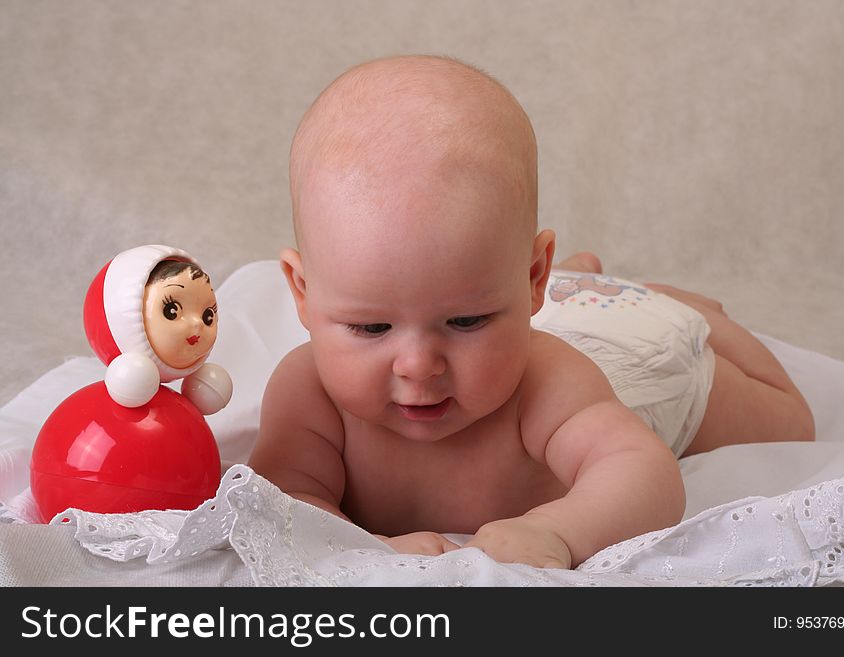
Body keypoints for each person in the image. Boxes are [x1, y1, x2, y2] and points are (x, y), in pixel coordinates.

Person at [248, 55, 814, 569]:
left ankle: (679, 306)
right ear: (302, 291)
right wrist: (363, 547)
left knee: (791, 421)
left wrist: (555, 530)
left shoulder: (547, 382)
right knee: (524, 289)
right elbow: (286, 498)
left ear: (531, 278)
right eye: (372, 327)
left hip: (636, 350)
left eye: (466, 322)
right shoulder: (309, 393)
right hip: (553, 296)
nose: (418, 366)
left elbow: (642, 470)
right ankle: (580, 278)